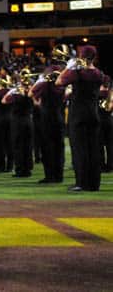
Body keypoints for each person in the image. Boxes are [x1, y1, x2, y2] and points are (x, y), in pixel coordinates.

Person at [56, 45, 103, 191]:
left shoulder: (77, 73)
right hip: (93, 113)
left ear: (82, 57)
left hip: (78, 114)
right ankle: (94, 184)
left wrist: (69, 67)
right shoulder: (99, 73)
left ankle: (81, 183)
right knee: (93, 149)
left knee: (79, 149)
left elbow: (59, 81)